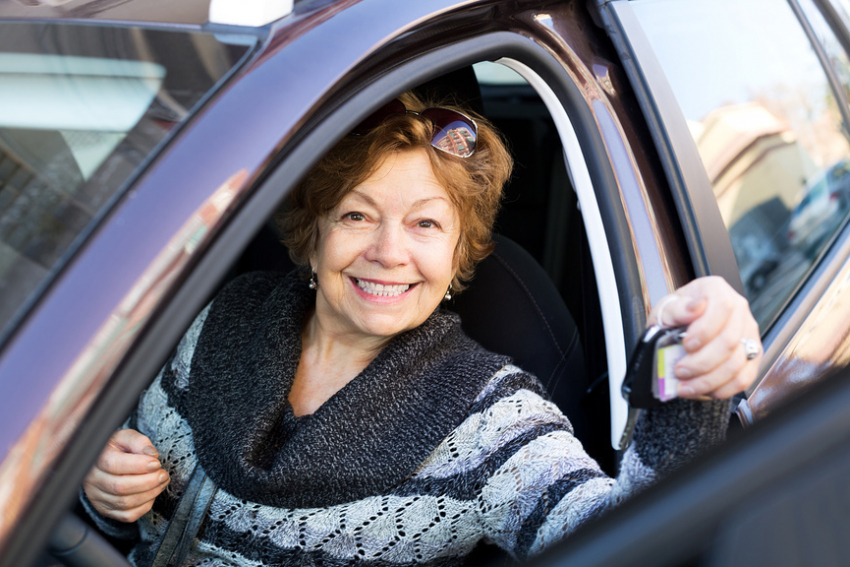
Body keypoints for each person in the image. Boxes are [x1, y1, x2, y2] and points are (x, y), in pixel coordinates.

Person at [81, 91, 761, 566]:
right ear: (312, 235)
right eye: (356, 214)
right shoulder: (227, 313)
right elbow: (125, 468)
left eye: (425, 224)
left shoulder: (487, 418)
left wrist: (691, 379)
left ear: (458, 253)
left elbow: (635, 543)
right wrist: (102, 485)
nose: (388, 251)